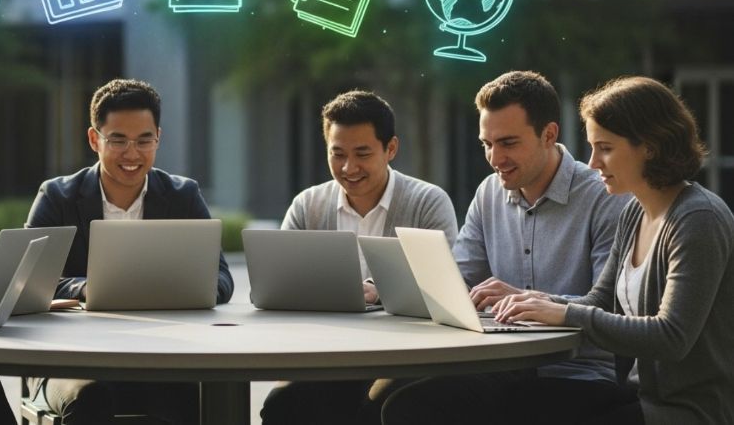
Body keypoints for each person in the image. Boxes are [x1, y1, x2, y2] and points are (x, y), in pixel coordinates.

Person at [381, 70, 629, 424]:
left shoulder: (603, 198)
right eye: (487, 144)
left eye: (508, 143)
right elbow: (458, 278)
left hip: (574, 372)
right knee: (386, 394)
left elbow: (612, 305)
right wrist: (392, 287)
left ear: (549, 134)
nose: (495, 158)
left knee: (416, 407)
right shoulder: (488, 193)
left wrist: (532, 300)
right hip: (498, 365)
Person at [494, 76, 734, 423]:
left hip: (689, 411)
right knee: (513, 402)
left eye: (605, 148)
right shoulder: (634, 211)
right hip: (639, 395)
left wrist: (565, 314)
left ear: (650, 146)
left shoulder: (699, 218)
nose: (592, 163)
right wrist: (538, 303)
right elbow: (598, 301)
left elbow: (671, 337)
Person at [25, 78, 233, 424]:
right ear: (95, 139)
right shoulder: (57, 197)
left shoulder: (183, 196)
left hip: (158, 357)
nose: (132, 154)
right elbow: (28, 280)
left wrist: (186, 290)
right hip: (68, 359)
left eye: (143, 141)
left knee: (186, 396)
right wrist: (87, 288)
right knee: (91, 398)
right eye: (118, 140)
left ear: (158, 139)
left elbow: (222, 277)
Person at [260, 89, 458, 425]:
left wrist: (377, 289)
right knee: (283, 403)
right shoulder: (308, 206)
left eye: (362, 153)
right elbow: (280, 287)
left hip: (403, 357)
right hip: (326, 356)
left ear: (390, 148)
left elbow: (445, 289)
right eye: (337, 154)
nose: (348, 168)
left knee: (378, 406)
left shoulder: (428, 203)